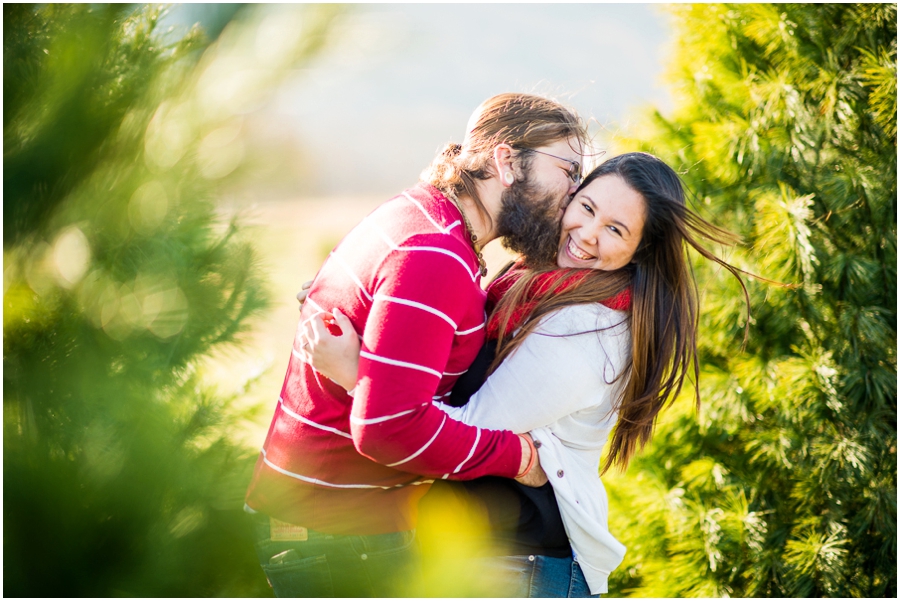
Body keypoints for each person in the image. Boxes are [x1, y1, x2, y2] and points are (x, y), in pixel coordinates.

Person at [304, 152, 750, 596]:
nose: (588, 235)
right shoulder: (533, 285)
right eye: (588, 208)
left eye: (616, 230)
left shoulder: (587, 327)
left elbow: (465, 426)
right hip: (492, 553)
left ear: (640, 251)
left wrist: (358, 372)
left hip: (522, 566)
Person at [243, 92, 589, 597]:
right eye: (569, 171)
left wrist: (358, 375)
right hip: (338, 538)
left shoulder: (425, 221)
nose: (574, 194)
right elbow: (388, 427)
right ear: (508, 161)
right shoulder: (435, 255)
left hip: (330, 528)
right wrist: (519, 458)